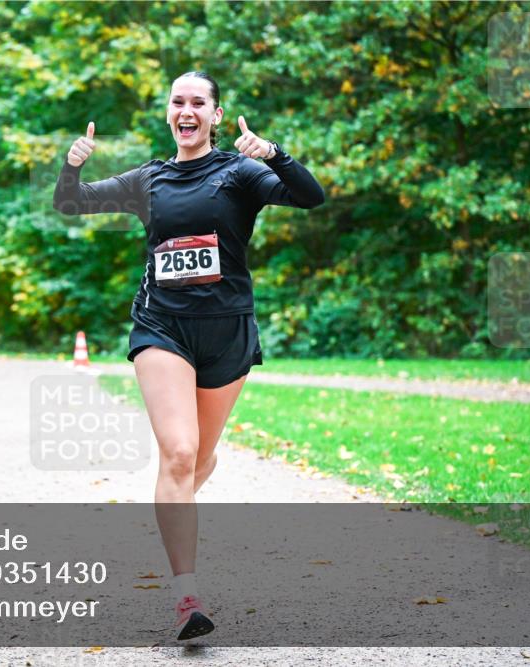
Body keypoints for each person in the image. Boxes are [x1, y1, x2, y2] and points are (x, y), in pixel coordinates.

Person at [52, 71, 324, 641]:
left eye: (199, 102)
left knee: (198, 460)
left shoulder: (241, 172)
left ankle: (170, 505)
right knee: (179, 455)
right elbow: (69, 203)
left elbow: (310, 196)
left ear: (216, 116)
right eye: (178, 101)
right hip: (163, 328)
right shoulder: (148, 179)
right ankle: (187, 599)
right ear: (168, 112)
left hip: (227, 334)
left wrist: (274, 153)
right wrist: (73, 163)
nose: (188, 109)